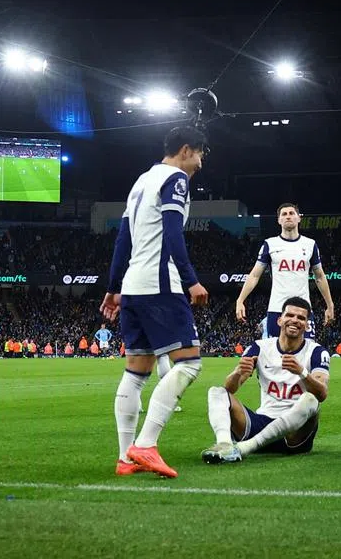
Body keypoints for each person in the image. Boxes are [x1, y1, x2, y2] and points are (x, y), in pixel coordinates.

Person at [100, 125, 209, 478]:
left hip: (133, 286)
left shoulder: (141, 182)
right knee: (189, 364)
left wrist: (114, 288)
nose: (201, 162)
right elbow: (173, 231)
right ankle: (145, 445)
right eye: (200, 153)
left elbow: (123, 239)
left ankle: (124, 458)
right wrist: (191, 280)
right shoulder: (176, 179)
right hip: (160, 285)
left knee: (136, 372)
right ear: (186, 150)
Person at [202, 296, 329, 463]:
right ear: (279, 320)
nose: (294, 320)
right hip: (261, 422)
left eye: (301, 318)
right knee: (216, 392)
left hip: (294, 435)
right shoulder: (259, 347)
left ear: (306, 325)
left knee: (311, 399)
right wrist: (238, 373)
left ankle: (244, 448)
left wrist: (302, 372)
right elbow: (230, 389)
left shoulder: (317, 352)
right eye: (290, 315)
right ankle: (224, 445)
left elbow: (322, 393)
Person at [234, 203, 336, 338]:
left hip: (303, 310)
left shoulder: (310, 244)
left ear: (299, 218)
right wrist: (240, 300)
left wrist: (330, 305)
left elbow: (320, 277)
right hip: (277, 309)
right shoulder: (270, 244)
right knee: (276, 357)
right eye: (284, 214)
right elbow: (254, 276)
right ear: (279, 220)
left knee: (305, 356)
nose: (288, 216)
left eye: (291, 213)